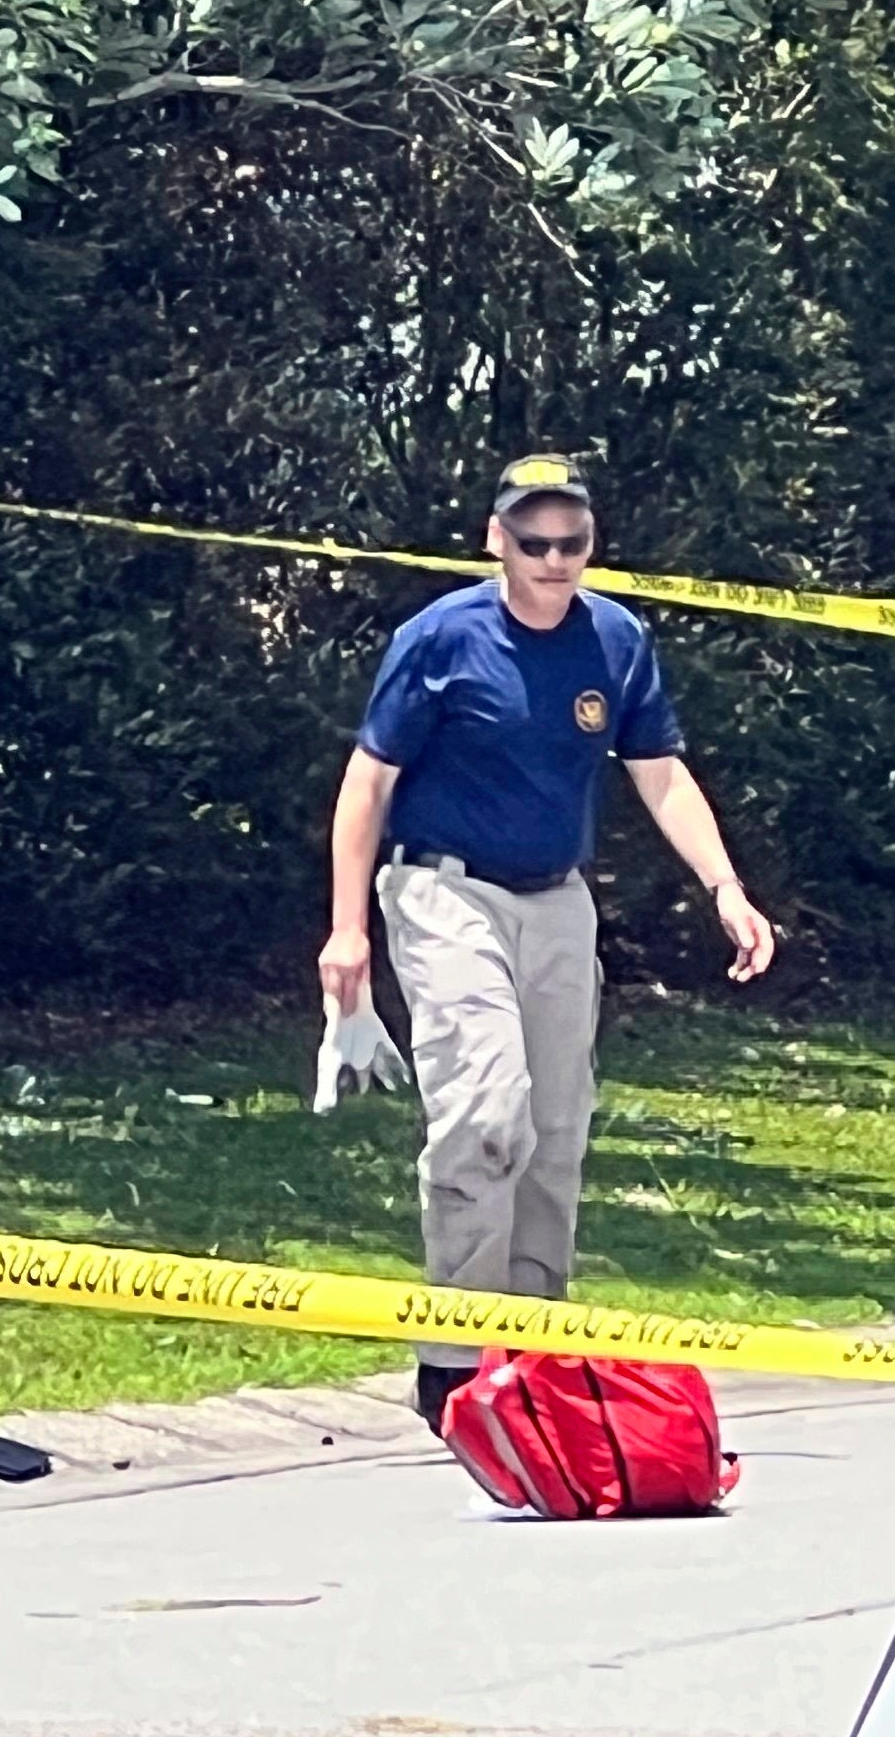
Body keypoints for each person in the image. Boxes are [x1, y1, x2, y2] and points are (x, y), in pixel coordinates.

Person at [318, 454, 779, 1431]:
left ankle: (531, 1355)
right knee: (487, 1112)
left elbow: (660, 773)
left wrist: (726, 889)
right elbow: (368, 784)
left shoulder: (615, 639)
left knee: (556, 1128)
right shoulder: (441, 637)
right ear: (498, 541)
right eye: (534, 542)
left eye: (573, 542)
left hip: (558, 898)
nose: (555, 559)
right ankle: (455, 1361)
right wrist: (347, 930)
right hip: (444, 890)